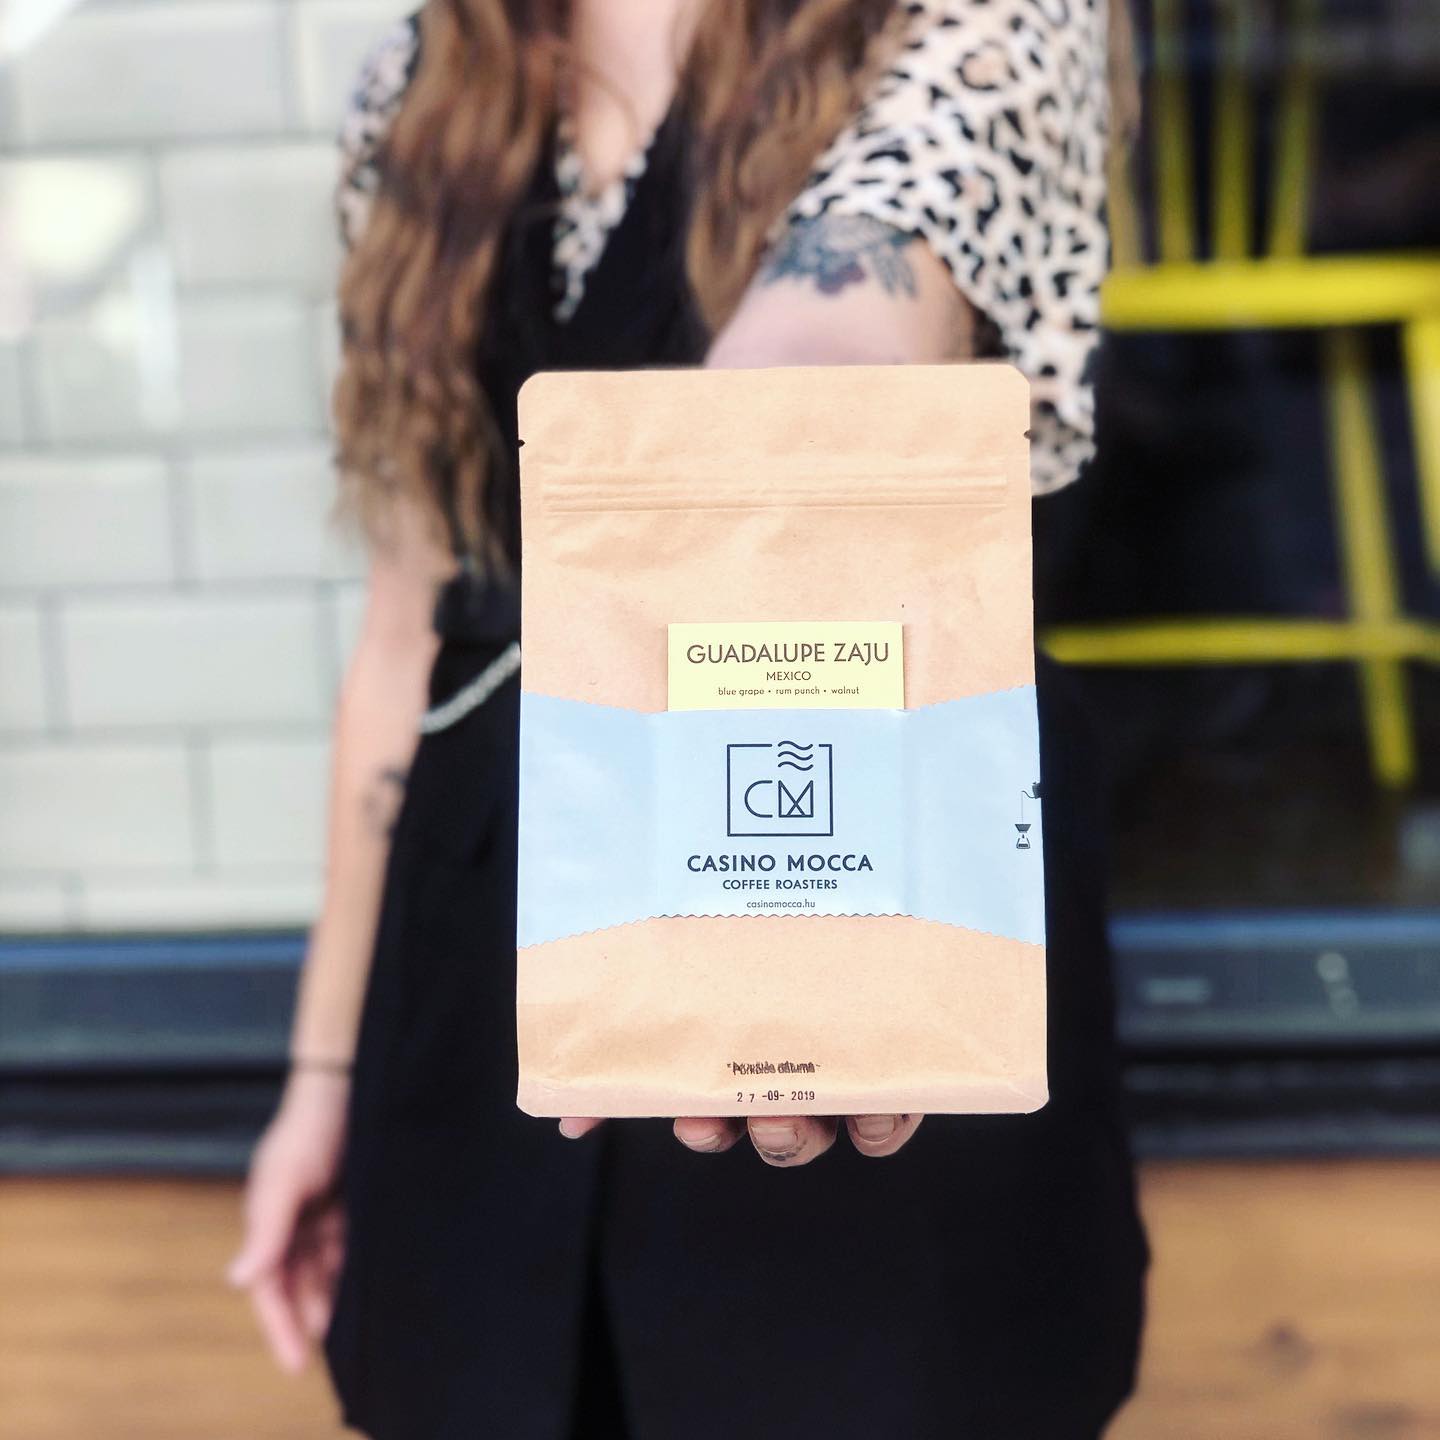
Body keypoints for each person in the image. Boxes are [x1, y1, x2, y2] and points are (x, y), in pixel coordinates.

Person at [230, 2, 1148, 1435]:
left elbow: (850, 313)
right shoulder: (421, 81)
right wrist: (322, 1075)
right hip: (492, 963)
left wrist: (753, 455)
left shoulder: (975, 19)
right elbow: (403, 636)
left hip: (845, 890)